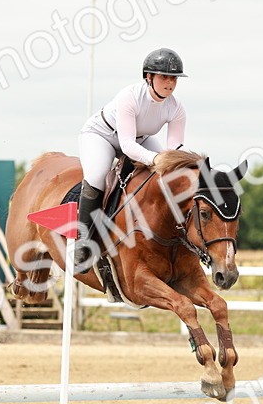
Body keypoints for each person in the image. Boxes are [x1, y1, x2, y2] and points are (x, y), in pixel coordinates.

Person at [73, 47, 188, 266]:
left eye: (174, 78)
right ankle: (83, 240)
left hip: (140, 138)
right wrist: (155, 159)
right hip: (103, 135)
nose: (170, 83)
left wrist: (174, 163)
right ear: (149, 76)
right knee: (97, 176)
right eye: (164, 76)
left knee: (166, 173)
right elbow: (126, 145)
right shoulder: (130, 96)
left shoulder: (177, 108)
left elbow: (174, 149)